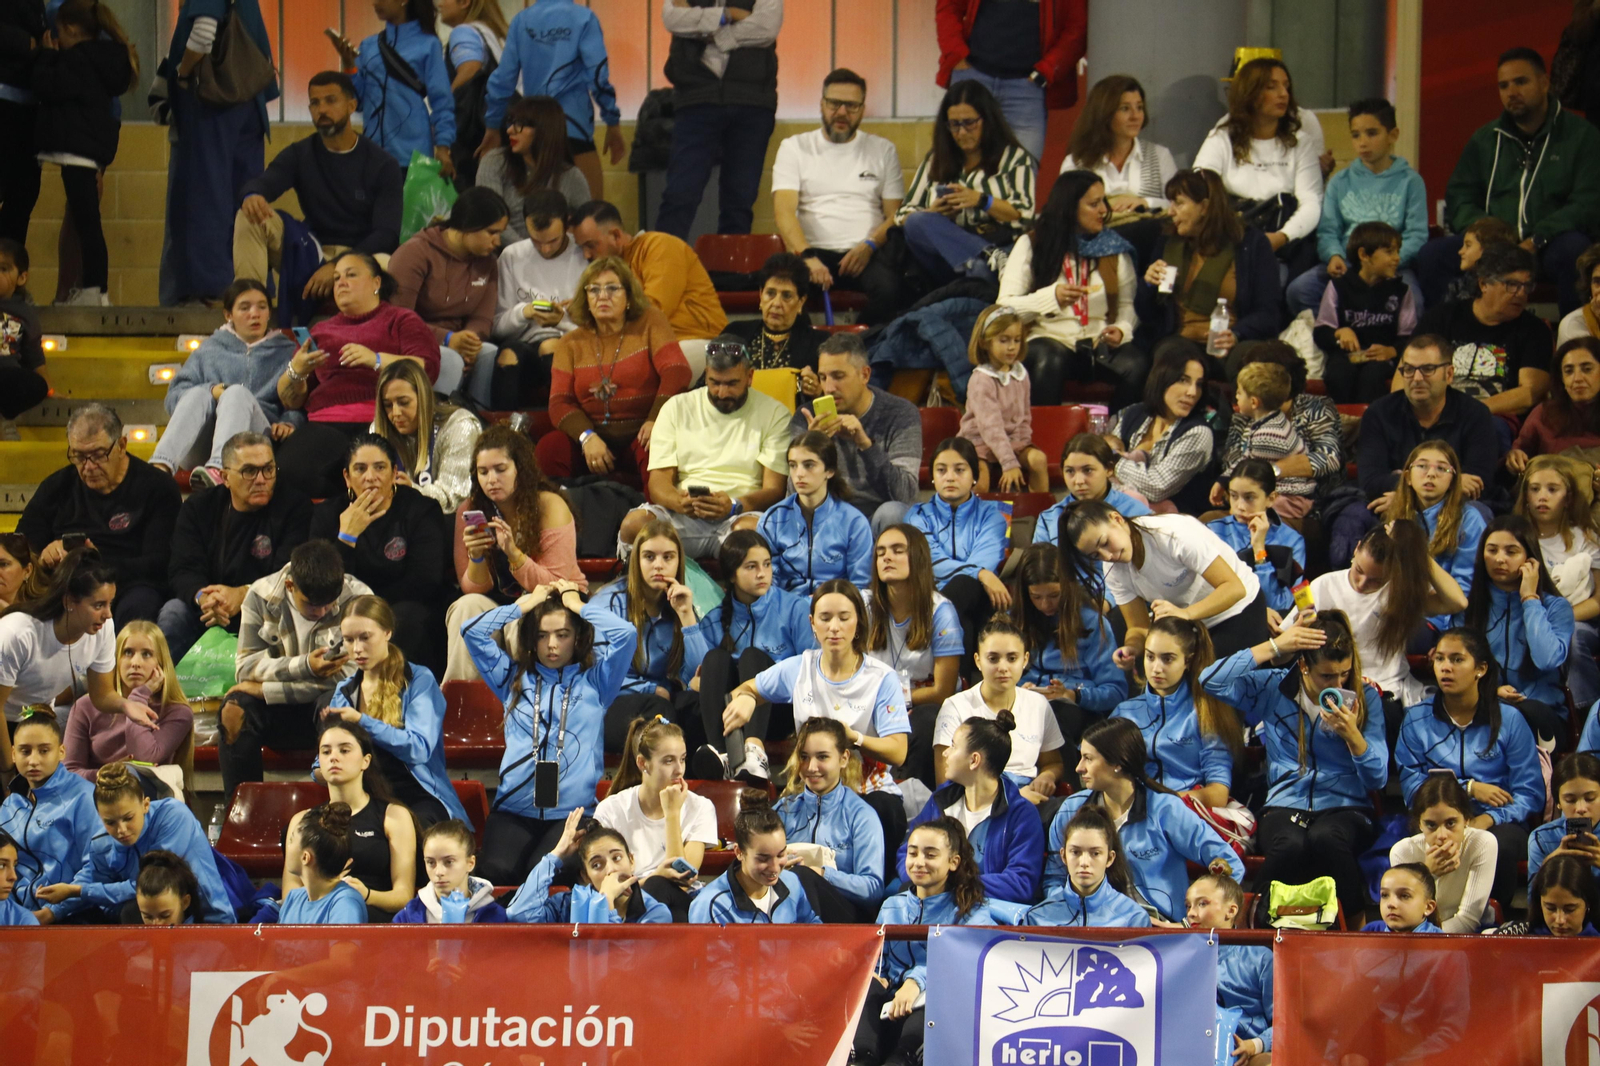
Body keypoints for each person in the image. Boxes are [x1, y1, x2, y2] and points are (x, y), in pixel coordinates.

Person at [1200, 611, 1389, 926]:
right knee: (1289, 845)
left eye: (1344, 673)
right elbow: (1210, 680)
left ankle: (1355, 924)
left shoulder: (1366, 698)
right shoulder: (1274, 688)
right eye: (1327, 677)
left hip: (1348, 807)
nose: (1338, 684)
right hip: (1284, 803)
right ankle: (1252, 923)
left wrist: (1353, 736)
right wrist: (1275, 647)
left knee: (1326, 838)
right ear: (1303, 665)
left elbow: (1378, 778)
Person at [461, 582, 635, 886]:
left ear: (577, 637)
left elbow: (627, 635)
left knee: (543, 875)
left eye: (562, 634)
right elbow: (470, 631)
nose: (551, 644)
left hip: (572, 814)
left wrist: (577, 605)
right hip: (514, 809)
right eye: (542, 635)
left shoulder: (597, 681)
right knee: (496, 875)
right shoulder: (512, 678)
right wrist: (526, 605)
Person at [1416, 46, 1600, 315]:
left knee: (1576, 251)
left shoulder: (1582, 137)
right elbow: (1460, 196)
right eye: (1504, 85)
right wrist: (1487, 237)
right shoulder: (1485, 139)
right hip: (1493, 244)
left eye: (1521, 82)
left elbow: (1588, 203)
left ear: (1544, 82)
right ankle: (1448, 336)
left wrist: (1537, 239)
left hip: (1547, 246)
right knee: (1431, 256)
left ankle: (1573, 345)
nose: (1511, 92)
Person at [273, 251, 442, 500]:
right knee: (285, 474)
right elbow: (292, 401)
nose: (341, 282)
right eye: (337, 277)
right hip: (325, 422)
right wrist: (297, 371)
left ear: (376, 283)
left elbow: (426, 368)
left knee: (368, 471)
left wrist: (374, 359)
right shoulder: (320, 331)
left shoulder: (401, 319)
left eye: (351, 275)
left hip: (383, 420)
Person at [1398, 627, 1543, 912]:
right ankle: (1426, 915)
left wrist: (1490, 817)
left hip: (1499, 822)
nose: (1445, 668)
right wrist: (1468, 788)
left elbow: (1530, 793)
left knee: (1496, 844)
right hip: (1435, 817)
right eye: (1440, 659)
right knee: (1410, 841)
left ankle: (1490, 914)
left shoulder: (1509, 720)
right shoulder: (1416, 720)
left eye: (1457, 659)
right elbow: (1411, 786)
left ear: (1480, 669)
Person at [1044, 717, 1242, 923]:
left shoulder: (1166, 809)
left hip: (1156, 930)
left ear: (1117, 763)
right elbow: (1054, 878)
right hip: (1090, 924)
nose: (1078, 767)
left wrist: (1186, 924)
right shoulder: (1071, 809)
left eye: (1088, 758)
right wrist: (1070, 918)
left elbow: (1231, 866)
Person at [221, 540, 369, 804]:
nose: (322, 611)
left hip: (328, 707)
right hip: (280, 716)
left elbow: (352, 678)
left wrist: (266, 690)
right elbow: (245, 667)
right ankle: (242, 811)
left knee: (340, 699)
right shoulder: (261, 595)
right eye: (313, 605)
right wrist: (305, 666)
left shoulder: (359, 599)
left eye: (329, 604)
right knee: (235, 709)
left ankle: (343, 810)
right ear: (291, 586)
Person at [233, 72, 404, 299]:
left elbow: (386, 234)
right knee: (249, 214)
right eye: (315, 103)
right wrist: (252, 195)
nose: (322, 109)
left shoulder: (383, 164)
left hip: (361, 255)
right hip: (310, 250)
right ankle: (249, 306)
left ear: (352, 106)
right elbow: (267, 181)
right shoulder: (300, 153)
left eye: (331, 100)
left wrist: (338, 265)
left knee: (387, 263)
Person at [724, 581, 913, 785]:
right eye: (825, 618)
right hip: (810, 786)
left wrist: (855, 738)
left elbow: (898, 751)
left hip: (869, 788)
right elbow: (744, 690)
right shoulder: (800, 667)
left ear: (858, 621)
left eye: (844, 618)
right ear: (812, 622)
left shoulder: (882, 677)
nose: (834, 627)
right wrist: (749, 697)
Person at [619, 340, 790, 559]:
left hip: (740, 515)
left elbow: (774, 489)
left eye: (732, 383)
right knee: (635, 525)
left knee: (750, 533)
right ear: (706, 373)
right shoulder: (676, 407)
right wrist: (679, 502)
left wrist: (734, 506)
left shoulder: (775, 413)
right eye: (714, 382)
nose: (721, 392)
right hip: (682, 516)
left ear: (750, 376)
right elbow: (658, 482)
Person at [156, 0, 277, 306]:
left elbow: (203, 32)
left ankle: (210, 292)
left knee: (203, 200)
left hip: (211, 105)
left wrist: (182, 74)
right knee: (247, 201)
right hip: (249, 102)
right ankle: (251, 292)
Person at [18, 405, 182, 627]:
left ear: (121, 445)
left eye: (97, 455)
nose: (88, 467)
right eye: (78, 456)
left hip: (128, 586)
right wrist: (43, 556)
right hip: (66, 585)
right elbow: (20, 545)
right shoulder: (57, 487)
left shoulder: (157, 488)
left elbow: (159, 562)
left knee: (140, 605)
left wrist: (98, 564)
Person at [536, 255, 690, 489]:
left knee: (657, 446)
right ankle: (561, 517)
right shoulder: (570, 343)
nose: (602, 296)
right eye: (594, 290)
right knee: (549, 448)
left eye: (612, 288)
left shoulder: (651, 322)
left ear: (628, 296)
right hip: (593, 439)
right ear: (586, 299)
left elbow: (677, 371)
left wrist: (655, 419)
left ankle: (656, 517)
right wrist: (587, 437)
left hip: (642, 433)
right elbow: (559, 402)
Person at [447, 426, 584, 684]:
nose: (491, 479)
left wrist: (513, 553)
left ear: (519, 468)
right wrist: (476, 557)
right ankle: (462, 700)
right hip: (500, 603)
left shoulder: (549, 504)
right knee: (466, 608)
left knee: (519, 617)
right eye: (483, 471)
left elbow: (554, 584)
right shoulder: (471, 509)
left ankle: (524, 699)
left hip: (552, 600)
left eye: (500, 469)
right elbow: (473, 589)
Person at [159, 431, 311, 662]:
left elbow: (290, 572)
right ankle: (162, 692)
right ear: (225, 477)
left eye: (268, 469)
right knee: (173, 613)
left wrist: (243, 595)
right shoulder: (199, 508)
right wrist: (203, 597)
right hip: (210, 610)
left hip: (268, 609)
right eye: (249, 471)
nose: (261, 479)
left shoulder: (294, 507)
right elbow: (182, 569)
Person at [998, 171, 1144, 409]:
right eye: (1093, 204)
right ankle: (1044, 438)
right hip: (1048, 339)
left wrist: (1122, 328)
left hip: (1098, 344)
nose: (1103, 211)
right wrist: (1050, 297)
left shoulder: (1115, 247)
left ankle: (1118, 434)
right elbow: (1004, 308)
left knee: (1136, 364)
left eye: (1103, 202)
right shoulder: (1033, 244)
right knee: (1050, 358)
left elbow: (1129, 305)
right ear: (1069, 208)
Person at [771, 69, 905, 325]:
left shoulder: (883, 150)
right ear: (821, 104)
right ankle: (810, 350)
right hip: (812, 253)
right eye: (834, 103)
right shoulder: (794, 147)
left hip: (867, 253)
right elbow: (784, 211)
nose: (842, 112)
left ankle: (861, 348)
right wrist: (807, 257)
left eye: (852, 106)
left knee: (891, 290)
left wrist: (870, 246)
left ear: (863, 109)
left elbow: (896, 216)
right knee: (784, 291)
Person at [323, 595, 467, 829]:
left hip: (418, 796)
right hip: (364, 797)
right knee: (302, 830)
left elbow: (419, 749)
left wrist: (362, 721)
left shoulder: (419, 680)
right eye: (349, 640)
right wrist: (326, 765)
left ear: (388, 632)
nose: (357, 649)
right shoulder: (345, 690)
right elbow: (319, 766)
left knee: (400, 829)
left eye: (365, 637)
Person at [858, 819, 991, 1066]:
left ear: (953, 862)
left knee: (936, 1000)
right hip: (891, 1003)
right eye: (913, 853)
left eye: (930, 855)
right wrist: (874, 974)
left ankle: (902, 1059)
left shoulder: (972, 913)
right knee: (866, 987)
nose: (919, 862)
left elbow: (963, 966)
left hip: (935, 1007)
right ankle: (861, 1059)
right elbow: (876, 959)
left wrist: (915, 982)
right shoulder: (892, 905)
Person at [1060, 502, 1267, 660]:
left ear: (1117, 519)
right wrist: (1130, 648)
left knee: (1209, 681)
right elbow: (1139, 627)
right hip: (1190, 624)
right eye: (1096, 555)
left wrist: (1185, 614)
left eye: (1105, 543)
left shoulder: (1172, 534)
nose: (1107, 556)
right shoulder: (1113, 568)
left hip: (1239, 608)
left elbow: (1234, 588)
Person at [30, 0, 137, 307]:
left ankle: (94, 290)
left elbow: (47, 86)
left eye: (59, 33)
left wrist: (46, 55)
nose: (57, 39)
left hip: (76, 151)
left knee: (87, 222)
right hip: (90, 151)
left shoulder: (77, 60)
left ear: (72, 30)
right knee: (87, 220)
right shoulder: (103, 60)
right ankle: (95, 290)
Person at [0, 550, 158, 756]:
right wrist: (7, 768)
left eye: (110, 604)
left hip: (32, 721)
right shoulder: (16, 633)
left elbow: (101, 695)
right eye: (98, 605)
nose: (108, 614)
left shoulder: (103, 628)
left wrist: (126, 706)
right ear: (69, 602)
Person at [686, 531, 814, 782]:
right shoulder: (715, 619)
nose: (762, 573)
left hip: (777, 712)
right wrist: (695, 680)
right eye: (751, 566)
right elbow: (697, 672)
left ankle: (755, 752)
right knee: (715, 659)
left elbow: (811, 667)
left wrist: (757, 686)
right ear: (732, 574)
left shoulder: (795, 608)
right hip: (728, 714)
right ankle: (721, 755)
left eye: (767, 564)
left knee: (752, 657)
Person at [308, 434, 446, 666]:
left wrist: (370, 613)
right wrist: (346, 538)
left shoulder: (421, 510)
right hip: (342, 610)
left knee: (407, 618)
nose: (370, 477)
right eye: (360, 469)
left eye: (379, 468)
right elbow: (320, 586)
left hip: (404, 610)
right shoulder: (328, 515)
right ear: (347, 477)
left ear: (394, 473)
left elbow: (426, 581)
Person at [1304, 522, 1470, 714]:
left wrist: (1417, 553)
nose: (1362, 584)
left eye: (1376, 580)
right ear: (1356, 549)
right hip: (1332, 687)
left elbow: (1458, 602)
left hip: (1384, 690)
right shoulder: (1323, 585)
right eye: (1359, 571)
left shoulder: (1399, 593)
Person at [150, 281, 303, 484]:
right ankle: (159, 467)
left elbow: (299, 402)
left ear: (268, 313)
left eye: (262, 307)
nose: (254, 313)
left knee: (236, 393)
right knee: (198, 393)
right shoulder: (209, 350)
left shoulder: (286, 352)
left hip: (256, 441)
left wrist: (289, 422)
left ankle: (219, 467)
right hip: (202, 443)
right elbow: (173, 399)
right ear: (228, 315)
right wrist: (211, 391)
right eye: (245, 307)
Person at [1287, 97, 1428, 318]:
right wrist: (1334, 255)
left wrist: (1389, 260)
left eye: (1372, 133)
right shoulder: (1340, 181)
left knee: (1414, 304)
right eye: (1356, 135)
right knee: (1299, 290)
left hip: (1392, 267)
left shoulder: (1410, 181)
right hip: (1348, 265)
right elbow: (1328, 231)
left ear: (1393, 135)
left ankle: (1390, 348)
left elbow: (1417, 234)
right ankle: (1338, 334)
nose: (1362, 142)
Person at [656, 0, 782, 240]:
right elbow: (673, 19)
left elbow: (766, 28)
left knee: (739, 200)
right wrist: (728, 15)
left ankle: (731, 274)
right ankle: (663, 269)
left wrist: (712, 33)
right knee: (680, 195)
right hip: (696, 99)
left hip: (752, 103)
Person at [49, 761, 232, 924]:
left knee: (135, 910)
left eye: (128, 818)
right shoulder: (101, 842)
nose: (121, 830)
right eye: (110, 822)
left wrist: (80, 891)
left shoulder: (173, 817)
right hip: (144, 920)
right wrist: (52, 912)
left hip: (208, 920)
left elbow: (154, 886)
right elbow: (99, 894)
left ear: (145, 805)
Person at [1193, 57, 1324, 281]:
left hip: (1283, 240)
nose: (1283, 94)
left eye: (1286, 86)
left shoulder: (1300, 142)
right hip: (1232, 235)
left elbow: (1311, 202)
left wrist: (1282, 237)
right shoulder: (1222, 137)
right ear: (1250, 94)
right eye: (1271, 87)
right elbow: (1199, 184)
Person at [894, 80, 1036, 285]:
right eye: (954, 125)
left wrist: (981, 200)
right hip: (947, 254)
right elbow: (902, 214)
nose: (961, 132)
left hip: (1000, 247)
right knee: (917, 222)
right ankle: (982, 256)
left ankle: (982, 260)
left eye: (969, 123)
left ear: (987, 120)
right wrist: (934, 213)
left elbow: (1024, 215)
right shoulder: (936, 158)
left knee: (981, 271)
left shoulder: (1014, 158)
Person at [1352, 336, 1501, 533]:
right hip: (1392, 501)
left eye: (1427, 369)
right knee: (1353, 516)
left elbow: (1478, 481)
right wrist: (1448, 481)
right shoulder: (1379, 413)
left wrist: (1408, 490)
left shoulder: (1476, 414)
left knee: (1476, 513)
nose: (1417, 378)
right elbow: (1371, 480)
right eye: (1409, 370)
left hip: (1455, 506)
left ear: (1449, 374)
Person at [480, 0, 621, 202]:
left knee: (539, 215)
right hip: (573, 129)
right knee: (591, 214)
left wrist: (492, 126)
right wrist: (612, 120)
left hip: (535, 132)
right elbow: (598, 76)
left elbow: (503, 80)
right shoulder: (583, 18)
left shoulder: (522, 21)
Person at [1135, 171, 1282, 364]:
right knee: (1172, 356)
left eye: (1178, 203)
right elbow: (1146, 314)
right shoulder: (1167, 242)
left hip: (1231, 343)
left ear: (1204, 207)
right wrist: (1148, 284)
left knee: (1249, 361)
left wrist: (1237, 334)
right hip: (1180, 341)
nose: (1170, 212)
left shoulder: (1251, 244)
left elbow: (1268, 313)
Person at [584, 521, 709, 749]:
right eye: (649, 557)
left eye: (668, 557)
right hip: (615, 702)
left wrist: (687, 616)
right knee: (660, 711)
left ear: (679, 562)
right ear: (636, 561)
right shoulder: (608, 603)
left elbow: (702, 675)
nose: (658, 566)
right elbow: (601, 673)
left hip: (664, 700)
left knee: (699, 705)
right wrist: (652, 689)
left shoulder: (680, 603)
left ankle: (700, 773)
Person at [1009, 544, 1126, 782]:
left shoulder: (1091, 622)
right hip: (1028, 701)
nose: (1045, 605)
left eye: (1054, 595)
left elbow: (1116, 691)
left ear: (1068, 587)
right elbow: (1008, 670)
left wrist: (1075, 695)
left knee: (1051, 716)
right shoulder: (1019, 620)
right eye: (1036, 597)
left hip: (1080, 709)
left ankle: (1067, 787)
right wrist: (1020, 686)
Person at [388, 186, 511, 409]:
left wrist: (470, 343)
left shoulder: (488, 262)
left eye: (500, 233)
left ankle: (477, 420)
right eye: (492, 232)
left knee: (488, 351)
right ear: (467, 226)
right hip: (414, 341)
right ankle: (437, 422)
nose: (497, 242)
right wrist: (447, 338)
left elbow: (482, 317)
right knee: (450, 358)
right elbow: (397, 318)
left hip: (458, 341)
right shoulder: (415, 253)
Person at [905, 712, 1045, 906]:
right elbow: (905, 853)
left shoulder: (1022, 815)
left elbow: (1021, 883)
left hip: (991, 914)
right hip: (936, 905)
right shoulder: (941, 801)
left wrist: (950, 883)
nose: (945, 753)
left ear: (974, 760)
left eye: (953, 746)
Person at [568, 200, 729, 366]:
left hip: (701, 341)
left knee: (626, 366)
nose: (586, 255)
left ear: (616, 235)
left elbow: (654, 310)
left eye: (591, 245)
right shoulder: (613, 268)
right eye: (582, 248)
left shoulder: (660, 245)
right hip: (656, 344)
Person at [790, 332, 923, 533]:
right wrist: (812, 449)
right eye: (823, 377)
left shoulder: (901, 414)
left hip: (877, 520)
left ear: (865, 375)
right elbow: (793, 497)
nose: (828, 387)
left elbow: (906, 494)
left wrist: (865, 445)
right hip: (827, 518)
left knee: (893, 513)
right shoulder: (807, 416)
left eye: (838, 376)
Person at [285, 719, 417, 921]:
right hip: (318, 921)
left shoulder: (394, 816)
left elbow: (404, 895)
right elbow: (290, 894)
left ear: (366, 760)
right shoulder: (302, 821)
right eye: (326, 752)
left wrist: (366, 894)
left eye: (344, 750)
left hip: (373, 921)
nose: (334, 758)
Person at [866, 525, 964, 787]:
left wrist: (896, 703)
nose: (886, 557)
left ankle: (916, 801)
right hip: (872, 706)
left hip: (923, 709)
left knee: (927, 718)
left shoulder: (940, 611)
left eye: (898, 550)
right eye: (880, 552)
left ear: (917, 558)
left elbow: (943, 691)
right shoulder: (863, 607)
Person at [1463, 515, 1574, 743]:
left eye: (1511, 552)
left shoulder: (1556, 608)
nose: (1499, 559)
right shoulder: (1469, 607)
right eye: (1492, 550)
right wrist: (1490, 692)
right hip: (1485, 705)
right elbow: (1459, 669)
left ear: (1529, 559)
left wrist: (1530, 599)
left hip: (1540, 713)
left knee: (1517, 714)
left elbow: (1547, 659)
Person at [932, 616, 1065, 802]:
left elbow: (1053, 762)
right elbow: (946, 783)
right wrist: (1013, 799)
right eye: (993, 659)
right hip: (976, 802)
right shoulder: (955, 707)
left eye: (1012, 658)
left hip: (1030, 797)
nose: (1003, 667)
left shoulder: (1039, 704)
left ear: (1025, 659)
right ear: (978, 661)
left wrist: (1047, 776)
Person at [933, 0, 1084, 164]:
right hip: (973, 76)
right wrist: (956, 55)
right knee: (956, 168)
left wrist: (1045, 72)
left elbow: (1077, 27)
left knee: (1022, 172)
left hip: (1027, 89)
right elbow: (949, 7)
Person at [1415, 241, 1553, 420]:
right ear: (1483, 284)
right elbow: (1405, 372)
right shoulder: (1441, 318)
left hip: (1494, 417)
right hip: (1435, 413)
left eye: (1526, 286)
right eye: (1512, 285)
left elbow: (1528, 394)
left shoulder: (1534, 330)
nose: (1521, 293)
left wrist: (1467, 412)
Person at [599, 717, 719, 921]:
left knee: (660, 887)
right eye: (668, 761)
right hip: (627, 902)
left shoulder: (701, 806)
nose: (679, 770)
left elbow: (683, 879)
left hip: (681, 905)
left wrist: (672, 814)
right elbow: (605, 881)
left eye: (682, 759)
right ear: (642, 763)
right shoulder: (611, 809)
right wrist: (652, 878)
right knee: (654, 886)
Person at [1111, 616, 1241, 804]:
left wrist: (1162, 802)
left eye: (1167, 659)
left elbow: (1218, 794)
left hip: (1184, 814)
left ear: (1188, 661)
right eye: (1150, 657)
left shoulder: (1206, 713)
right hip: (1130, 812)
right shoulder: (1124, 712)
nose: (1156, 668)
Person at [907, 437, 1010, 667]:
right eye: (941, 470)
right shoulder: (916, 516)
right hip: (929, 596)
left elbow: (987, 559)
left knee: (964, 585)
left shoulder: (992, 515)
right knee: (962, 617)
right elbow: (929, 561)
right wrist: (982, 574)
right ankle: (962, 687)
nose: (950, 477)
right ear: (932, 476)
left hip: (978, 598)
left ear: (974, 476)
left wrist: (981, 574)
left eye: (959, 470)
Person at [772, 718, 886, 922]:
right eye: (804, 757)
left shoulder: (861, 815)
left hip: (844, 917)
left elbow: (872, 888)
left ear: (843, 759)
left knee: (805, 877)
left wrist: (822, 875)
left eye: (822, 757)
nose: (811, 767)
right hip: (786, 907)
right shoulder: (783, 810)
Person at [326, 0, 455, 174]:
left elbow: (442, 102)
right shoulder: (369, 46)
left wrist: (443, 147)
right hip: (372, 156)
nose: (374, 3)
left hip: (413, 157)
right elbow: (359, 103)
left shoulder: (428, 44)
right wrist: (349, 65)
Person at [0, 709, 99, 923]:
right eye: (25, 751)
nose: (33, 760)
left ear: (61, 751)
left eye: (44, 751)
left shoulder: (83, 796)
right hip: (16, 918)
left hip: (74, 916)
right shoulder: (9, 805)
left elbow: (97, 865)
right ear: (13, 754)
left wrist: (53, 912)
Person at [64, 622, 193, 784]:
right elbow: (69, 773)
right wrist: (109, 773)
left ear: (161, 663)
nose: (135, 663)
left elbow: (145, 759)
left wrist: (138, 697)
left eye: (146, 654)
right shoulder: (86, 706)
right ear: (115, 659)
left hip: (149, 798)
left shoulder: (177, 712)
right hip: (93, 797)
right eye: (128, 653)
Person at [1519, 454, 1600, 709]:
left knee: (1572, 638)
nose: (1542, 496)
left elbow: (1598, 600)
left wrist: (1560, 620)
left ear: (1568, 498)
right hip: (1526, 617)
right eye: (1534, 489)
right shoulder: (1514, 538)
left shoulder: (1586, 538)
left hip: (1580, 622)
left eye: (1552, 489)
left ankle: (1584, 712)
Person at [1225, 340, 1347, 502]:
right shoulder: (1244, 413)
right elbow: (1232, 464)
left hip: (1313, 501)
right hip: (1251, 500)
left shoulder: (1315, 407)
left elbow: (1328, 459)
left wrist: (1271, 470)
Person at [1385, 439, 1486, 634]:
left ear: (1452, 481)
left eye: (1442, 469)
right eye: (1422, 466)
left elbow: (1463, 595)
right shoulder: (1396, 516)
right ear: (1407, 477)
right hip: (1401, 613)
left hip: (1445, 622)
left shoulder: (1470, 520)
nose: (1431, 473)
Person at [492, 189, 586, 397]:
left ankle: (563, 422)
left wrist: (561, 320)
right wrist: (525, 312)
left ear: (566, 225)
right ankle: (502, 428)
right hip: (524, 342)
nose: (544, 249)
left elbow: (600, 325)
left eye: (552, 241)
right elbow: (497, 327)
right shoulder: (511, 256)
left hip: (573, 341)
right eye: (536, 241)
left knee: (551, 347)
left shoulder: (583, 254)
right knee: (508, 355)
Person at [1314, 221, 1419, 404]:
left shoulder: (1401, 291)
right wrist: (1339, 333)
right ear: (1364, 255)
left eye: (1397, 251)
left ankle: (1369, 426)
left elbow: (1410, 338)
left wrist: (1392, 351)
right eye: (1389, 252)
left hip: (1381, 359)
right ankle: (1343, 426)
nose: (1397, 258)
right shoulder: (1339, 286)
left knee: (1372, 376)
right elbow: (1321, 332)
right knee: (1339, 374)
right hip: (1344, 357)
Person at [758, 431, 874, 595]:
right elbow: (767, 582)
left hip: (836, 611)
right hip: (786, 610)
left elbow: (860, 586)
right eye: (793, 465)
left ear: (830, 471)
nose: (799, 473)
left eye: (809, 465)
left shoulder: (854, 522)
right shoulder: (772, 520)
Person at [1105, 342, 1216, 512]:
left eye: (1198, 384)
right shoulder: (1133, 414)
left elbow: (1157, 487)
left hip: (1173, 527)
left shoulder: (1198, 432)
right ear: (1162, 379)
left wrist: (1114, 461)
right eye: (1183, 380)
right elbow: (1100, 466)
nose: (1192, 392)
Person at [506, 811, 670, 924]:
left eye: (617, 858)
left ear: (632, 861)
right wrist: (556, 856)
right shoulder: (568, 904)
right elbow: (519, 914)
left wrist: (605, 904)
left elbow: (613, 959)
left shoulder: (655, 914)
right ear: (586, 876)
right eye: (597, 865)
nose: (611, 870)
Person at [1001, 805, 1150, 928]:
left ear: (1110, 858)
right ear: (1063, 855)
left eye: (1095, 853)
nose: (1084, 862)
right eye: (1076, 852)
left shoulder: (1134, 918)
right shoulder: (1037, 918)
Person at [689, 790, 822, 925]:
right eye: (763, 859)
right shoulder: (712, 906)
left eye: (781, 854)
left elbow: (812, 930)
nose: (775, 868)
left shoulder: (792, 883)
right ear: (739, 852)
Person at [957, 305, 1050, 491]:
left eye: (1016, 340)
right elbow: (990, 427)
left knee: (1038, 460)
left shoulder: (1020, 374)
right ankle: (973, 518)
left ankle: (1043, 515)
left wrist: (1021, 446)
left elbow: (1024, 418)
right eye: (1004, 340)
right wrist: (1009, 462)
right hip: (979, 443)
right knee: (980, 481)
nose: (1011, 347)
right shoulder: (981, 379)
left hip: (1012, 441)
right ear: (985, 342)